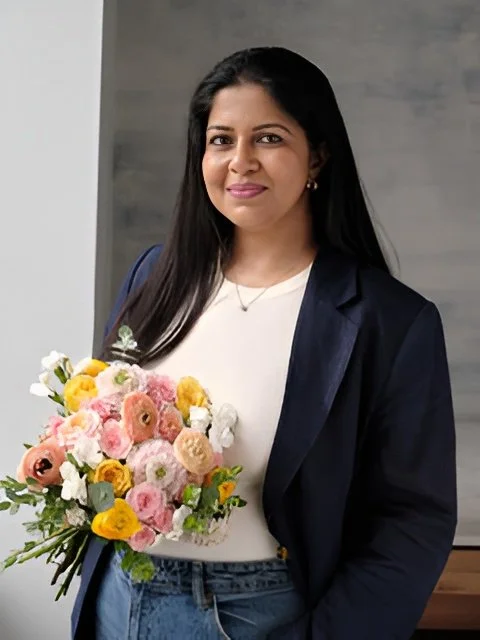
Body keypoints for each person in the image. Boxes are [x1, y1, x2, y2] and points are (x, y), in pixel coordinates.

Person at [72, 47, 457, 639]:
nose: (240, 162)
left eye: (269, 139)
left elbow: (411, 522)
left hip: (259, 614)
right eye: (221, 140)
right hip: (119, 602)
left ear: (317, 157)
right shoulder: (155, 277)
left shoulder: (388, 320)